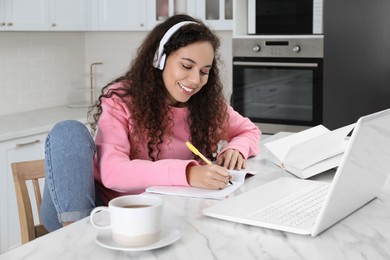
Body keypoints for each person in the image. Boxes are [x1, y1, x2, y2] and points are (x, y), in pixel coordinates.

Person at [40, 14, 261, 232]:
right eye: (186, 66)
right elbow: (113, 172)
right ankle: (77, 236)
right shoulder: (122, 99)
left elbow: (248, 130)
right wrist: (188, 173)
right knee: (68, 132)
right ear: (160, 59)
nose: (195, 80)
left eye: (204, 72)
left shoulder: (207, 105)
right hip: (97, 207)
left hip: (150, 213)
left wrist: (237, 149)